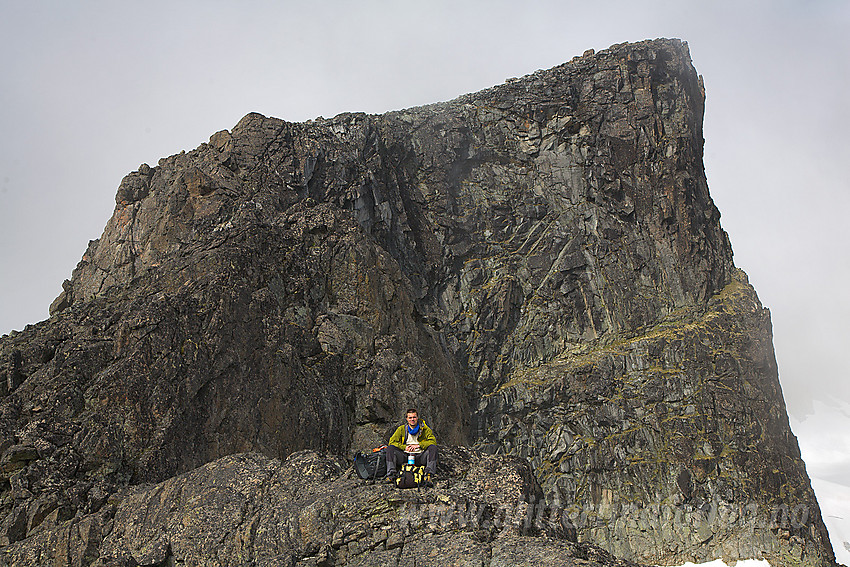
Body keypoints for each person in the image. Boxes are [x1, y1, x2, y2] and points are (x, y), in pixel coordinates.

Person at [384, 408, 438, 485]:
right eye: (410, 417)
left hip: (420, 456)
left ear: (417, 418)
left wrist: (418, 445)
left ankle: (428, 475)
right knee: (390, 449)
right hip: (405, 456)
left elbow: (433, 441)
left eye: (414, 417)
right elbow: (392, 442)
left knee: (433, 448)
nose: (412, 419)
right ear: (407, 419)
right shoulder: (401, 429)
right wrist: (404, 447)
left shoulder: (425, 429)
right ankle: (391, 475)